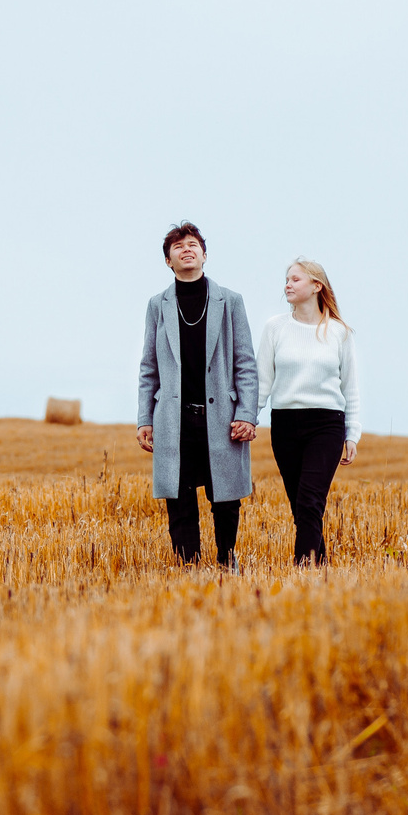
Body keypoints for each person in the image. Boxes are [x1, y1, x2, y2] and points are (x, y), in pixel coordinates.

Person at [136, 222, 259, 567]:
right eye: (177, 246)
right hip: (174, 416)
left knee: (226, 495)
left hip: (221, 416)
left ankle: (226, 558)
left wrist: (247, 413)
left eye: (193, 244)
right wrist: (145, 418)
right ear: (168, 261)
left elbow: (246, 364)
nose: (186, 249)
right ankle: (187, 565)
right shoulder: (157, 306)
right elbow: (148, 368)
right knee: (179, 495)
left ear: (205, 254)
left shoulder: (231, 301)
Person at [256, 258, 360, 566]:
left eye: (295, 279)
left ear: (317, 286)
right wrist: (248, 418)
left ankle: (303, 571)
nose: (287, 284)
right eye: (286, 279)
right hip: (285, 424)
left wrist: (352, 433)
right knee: (301, 506)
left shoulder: (339, 332)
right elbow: (263, 381)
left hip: (326, 424)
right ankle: (321, 570)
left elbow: (350, 387)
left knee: (310, 502)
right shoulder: (275, 328)